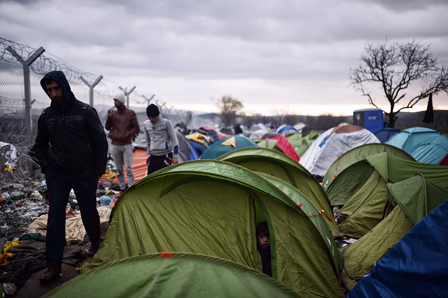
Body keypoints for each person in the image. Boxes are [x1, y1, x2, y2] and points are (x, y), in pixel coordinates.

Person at [30, 71, 108, 283]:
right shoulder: (47, 116)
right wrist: (47, 168)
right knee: (55, 217)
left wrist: (97, 171)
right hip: (57, 174)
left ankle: (95, 244)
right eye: (49, 90)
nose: (54, 93)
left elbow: (101, 143)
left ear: (64, 86)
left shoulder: (85, 112)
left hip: (84, 172)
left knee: (88, 212)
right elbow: (39, 146)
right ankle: (53, 265)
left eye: (56, 88)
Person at [105, 93, 140, 192]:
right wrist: (109, 117)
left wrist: (127, 134)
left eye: (116, 101)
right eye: (114, 101)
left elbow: (136, 127)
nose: (115, 103)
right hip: (115, 144)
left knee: (129, 168)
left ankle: (131, 188)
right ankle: (122, 188)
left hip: (126, 145)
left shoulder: (130, 113)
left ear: (121, 101)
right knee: (119, 170)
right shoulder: (113, 114)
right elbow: (107, 127)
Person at [143, 104, 179, 174]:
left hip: (165, 155)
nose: (152, 119)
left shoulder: (166, 122)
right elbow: (147, 141)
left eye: (153, 117)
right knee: (152, 179)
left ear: (157, 115)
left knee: (165, 178)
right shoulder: (146, 124)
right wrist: (148, 155)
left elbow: (174, 139)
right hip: (153, 155)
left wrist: (175, 156)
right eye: (150, 117)